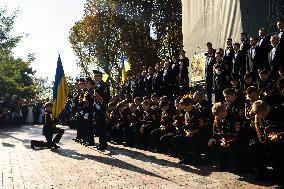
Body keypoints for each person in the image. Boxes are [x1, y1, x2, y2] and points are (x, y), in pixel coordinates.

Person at [93, 70, 110, 150]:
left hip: (102, 108)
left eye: (97, 76)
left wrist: (102, 106)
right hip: (97, 108)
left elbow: (106, 97)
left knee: (102, 127)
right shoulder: (96, 86)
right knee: (99, 126)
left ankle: (104, 144)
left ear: (101, 76)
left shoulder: (104, 85)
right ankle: (101, 143)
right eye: (95, 76)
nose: (96, 77)